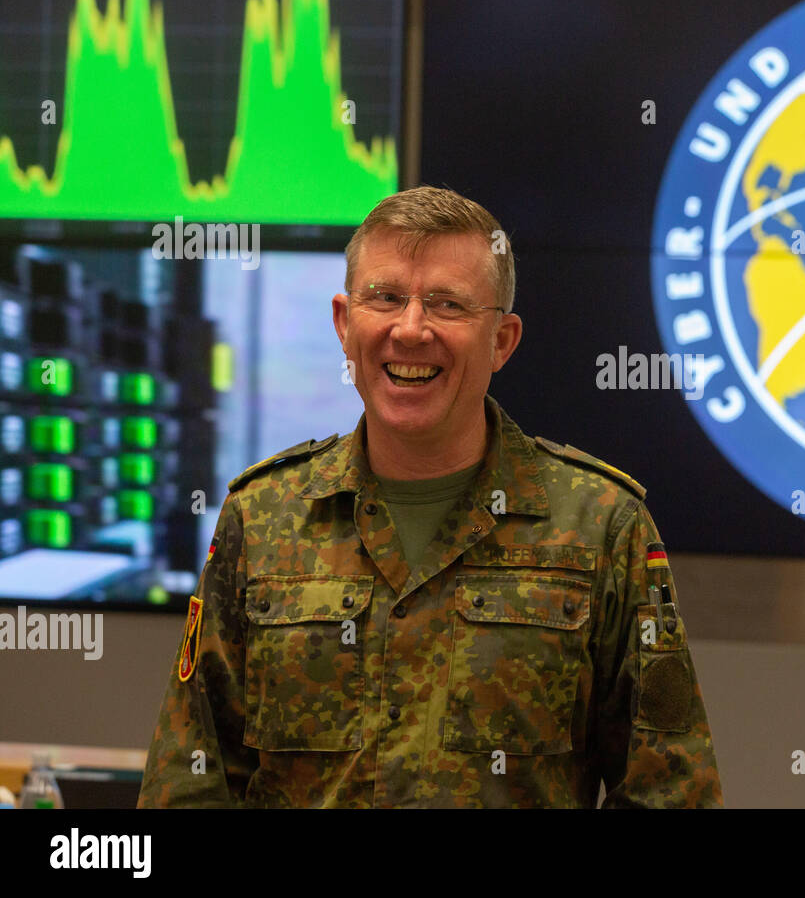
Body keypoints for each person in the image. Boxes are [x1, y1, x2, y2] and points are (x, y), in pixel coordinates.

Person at [137, 186, 723, 807]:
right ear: (343, 323)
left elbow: (670, 792)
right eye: (385, 298)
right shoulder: (260, 520)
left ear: (502, 340)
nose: (410, 330)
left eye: (448, 305)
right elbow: (190, 780)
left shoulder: (601, 527)